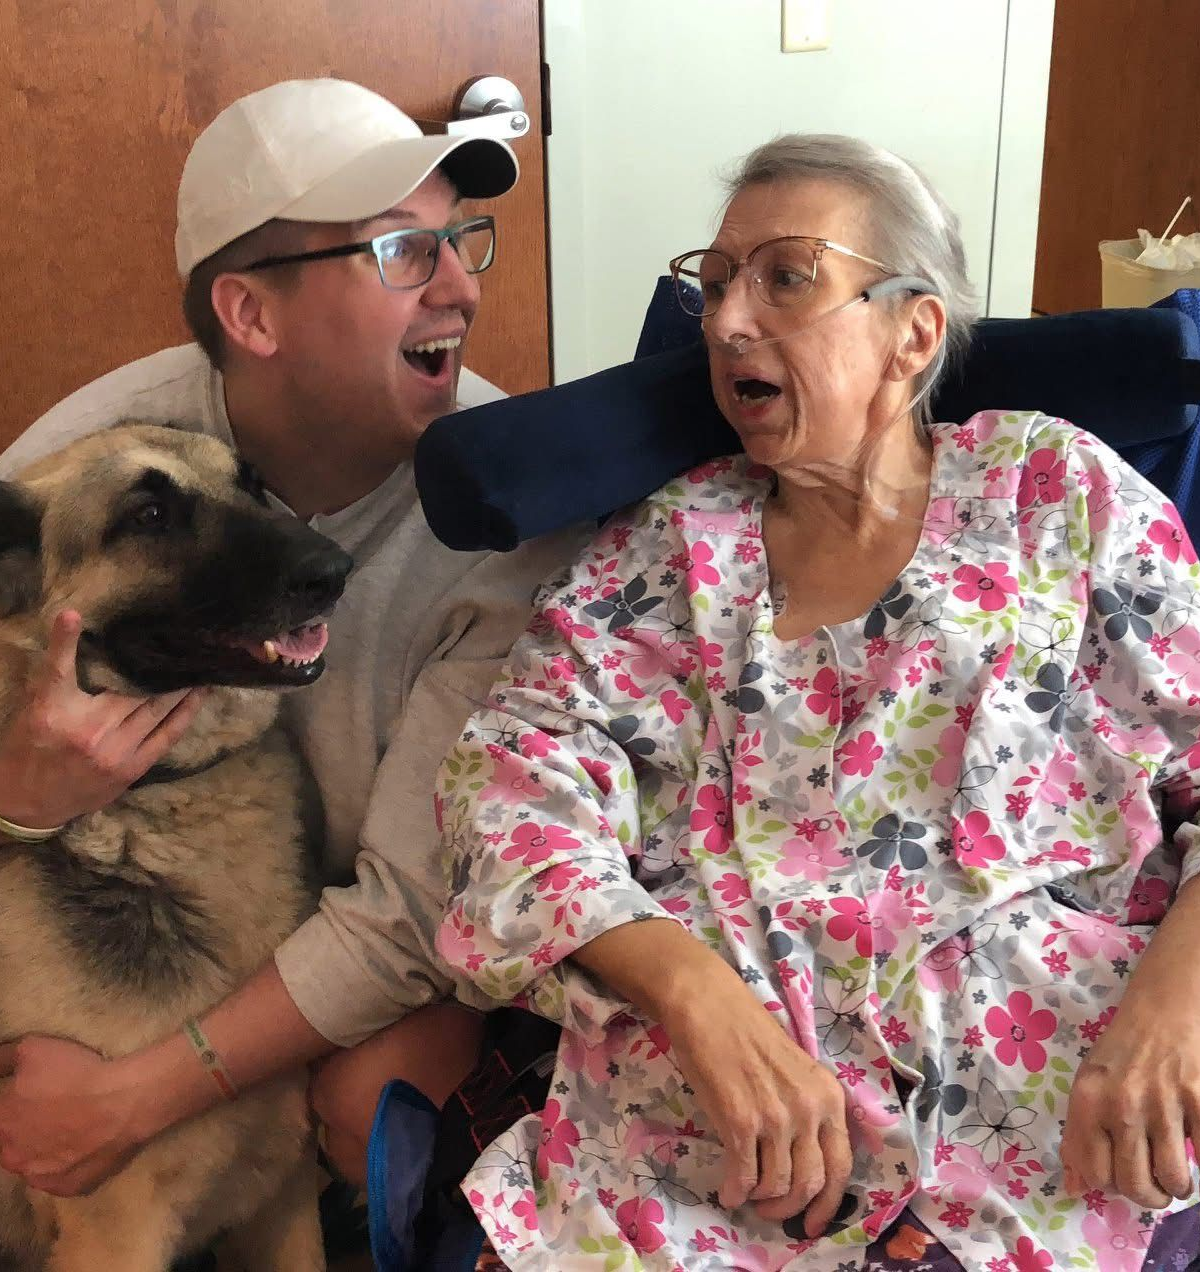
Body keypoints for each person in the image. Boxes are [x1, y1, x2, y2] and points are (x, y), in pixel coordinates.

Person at [434, 134, 1200, 1270]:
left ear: (913, 332)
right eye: (715, 284)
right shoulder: (668, 548)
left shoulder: (1058, 493)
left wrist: (1172, 1008)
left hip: (1040, 1124)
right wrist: (691, 991)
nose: (728, 321)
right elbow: (507, 791)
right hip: (705, 1146)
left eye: (785, 277)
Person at [0, 77, 576, 1199]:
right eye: (402, 254)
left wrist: (134, 1099)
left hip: (383, 931)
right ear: (251, 314)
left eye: (463, 242)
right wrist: (5, 797)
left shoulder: (505, 511)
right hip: (139, 916)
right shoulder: (87, 463)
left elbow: (420, 907)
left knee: (369, 1090)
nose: (463, 289)